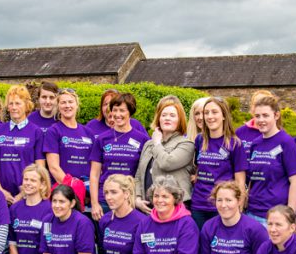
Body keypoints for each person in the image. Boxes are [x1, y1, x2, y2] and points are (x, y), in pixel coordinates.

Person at [244, 95, 296, 225]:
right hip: (252, 212)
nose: (261, 120)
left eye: (265, 115)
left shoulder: (287, 142)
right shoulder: (255, 143)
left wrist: (289, 214)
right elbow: (252, 179)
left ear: (276, 115)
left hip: (274, 216)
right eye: (257, 116)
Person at [90, 93, 150, 221]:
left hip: (130, 200)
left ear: (130, 112)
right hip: (106, 200)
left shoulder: (142, 139)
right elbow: (94, 174)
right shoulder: (102, 139)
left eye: (122, 110)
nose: (117, 114)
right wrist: (94, 203)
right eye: (115, 110)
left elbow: (145, 173)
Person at [191, 97, 247, 228]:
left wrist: (239, 207)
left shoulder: (234, 143)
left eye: (214, 112)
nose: (209, 116)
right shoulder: (200, 140)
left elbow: (240, 181)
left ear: (223, 115)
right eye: (206, 113)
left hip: (222, 207)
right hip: (199, 205)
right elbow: (201, 167)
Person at [134, 95, 195, 213]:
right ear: (158, 119)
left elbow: (167, 163)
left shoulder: (186, 144)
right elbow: (138, 176)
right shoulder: (148, 144)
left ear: (180, 120)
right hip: (148, 208)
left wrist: (157, 143)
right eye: (164, 115)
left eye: (172, 115)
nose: (167, 118)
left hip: (176, 208)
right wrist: (137, 199)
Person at [0, 85, 45, 204]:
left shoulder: (36, 132)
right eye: (11, 103)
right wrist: (0, 191)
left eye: (18, 103)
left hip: (27, 195)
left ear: (26, 106)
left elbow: (40, 168)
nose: (14, 107)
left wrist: (23, 193)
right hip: (1, 196)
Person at [43, 88, 95, 185]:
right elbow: (54, 168)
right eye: (63, 102)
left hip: (87, 189)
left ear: (76, 104)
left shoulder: (88, 132)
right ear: (58, 106)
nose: (67, 105)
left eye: (70, 102)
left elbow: (95, 165)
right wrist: (73, 186)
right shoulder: (53, 131)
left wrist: (89, 187)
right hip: (64, 191)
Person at [235, 89, 278, 155]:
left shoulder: (279, 134)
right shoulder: (240, 132)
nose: (259, 107)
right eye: (256, 104)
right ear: (251, 107)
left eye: (264, 104)